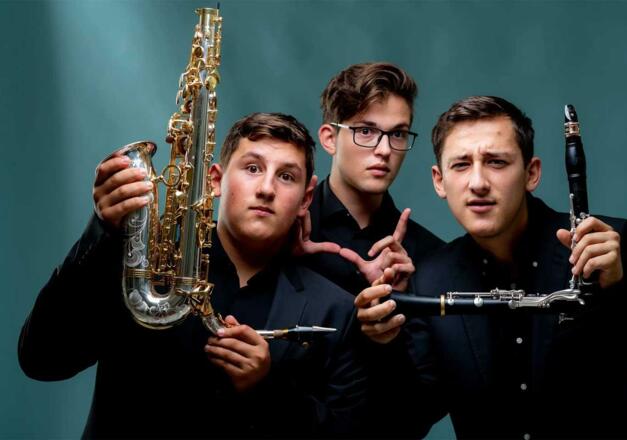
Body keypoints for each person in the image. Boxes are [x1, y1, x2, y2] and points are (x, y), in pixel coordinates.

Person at [356, 96, 627, 438]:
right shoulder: (429, 280)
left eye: (496, 162)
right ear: (439, 181)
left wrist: (618, 289)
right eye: (461, 165)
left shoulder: (609, 246)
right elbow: (407, 421)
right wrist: (385, 340)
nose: (478, 183)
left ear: (532, 173)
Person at [18, 113, 367, 438]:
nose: (266, 189)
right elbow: (43, 359)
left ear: (306, 198)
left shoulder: (336, 310)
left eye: (286, 176)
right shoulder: (143, 267)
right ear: (215, 180)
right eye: (252, 168)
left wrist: (267, 388)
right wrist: (102, 229)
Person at [301, 62, 443, 296]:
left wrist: (404, 297)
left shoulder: (431, 256)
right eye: (366, 131)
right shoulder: (286, 232)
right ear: (330, 139)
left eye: (398, 134)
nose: (385, 150)